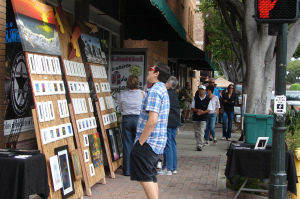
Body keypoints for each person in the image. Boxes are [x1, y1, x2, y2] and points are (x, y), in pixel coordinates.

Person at [130, 62, 170, 199]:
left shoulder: (155, 91)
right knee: (150, 176)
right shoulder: (162, 89)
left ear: (156, 73)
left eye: (150, 69)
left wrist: (140, 142)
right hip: (157, 142)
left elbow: (152, 120)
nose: (148, 72)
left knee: (145, 177)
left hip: (149, 142)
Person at [118, 75, 144, 176]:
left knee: (127, 145)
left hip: (127, 119)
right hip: (138, 119)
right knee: (139, 144)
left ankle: (127, 170)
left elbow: (120, 108)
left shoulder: (122, 94)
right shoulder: (142, 94)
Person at [159, 76, 180, 175]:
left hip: (168, 121)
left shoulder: (167, 93)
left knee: (168, 144)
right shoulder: (174, 94)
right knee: (172, 143)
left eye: (166, 81)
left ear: (169, 84)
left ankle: (168, 168)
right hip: (175, 121)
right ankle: (173, 167)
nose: (165, 83)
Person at [191, 85, 210, 151]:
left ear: (205, 91)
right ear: (198, 90)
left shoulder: (208, 99)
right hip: (196, 117)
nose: (201, 91)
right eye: (200, 89)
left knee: (201, 131)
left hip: (203, 117)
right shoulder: (195, 98)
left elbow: (209, 109)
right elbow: (192, 108)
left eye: (203, 90)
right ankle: (198, 143)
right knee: (196, 132)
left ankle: (200, 145)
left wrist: (202, 112)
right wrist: (198, 110)